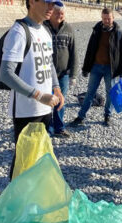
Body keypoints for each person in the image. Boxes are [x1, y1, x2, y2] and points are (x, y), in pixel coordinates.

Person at [0, 0, 64, 179]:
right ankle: (15, 202)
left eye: (54, 4)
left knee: (40, 157)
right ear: (32, 2)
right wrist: (38, 95)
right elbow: (5, 74)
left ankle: (34, 199)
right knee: (23, 160)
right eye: (47, 3)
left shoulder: (45, 30)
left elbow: (48, 63)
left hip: (45, 107)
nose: (52, 8)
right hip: (26, 110)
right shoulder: (19, 31)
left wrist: (56, 88)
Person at [69, 8, 122, 127]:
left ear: (113, 18)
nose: (106, 21)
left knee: (110, 93)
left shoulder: (119, 32)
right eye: (104, 18)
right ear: (101, 18)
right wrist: (85, 68)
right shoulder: (96, 30)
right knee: (90, 92)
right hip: (96, 67)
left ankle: (107, 115)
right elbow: (90, 50)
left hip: (110, 69)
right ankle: (81, 116)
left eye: (109, 18)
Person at [44, 2, 78, 138]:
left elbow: (74, 52)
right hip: (46, 73)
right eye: (57, 13)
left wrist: (73, 75)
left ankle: (59, 127)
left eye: (62, 13)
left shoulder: (69, 28)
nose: (60, 16)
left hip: (63, 74)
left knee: (60, 101)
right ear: (51, 13)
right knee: (46, 101)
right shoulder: (43, 27)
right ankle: (47, 127)